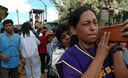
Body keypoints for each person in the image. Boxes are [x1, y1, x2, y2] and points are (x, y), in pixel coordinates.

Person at [55, 6, 128, 78]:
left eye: (95, 23)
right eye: (86, 24)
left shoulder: (109, 48)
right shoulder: (69, 57)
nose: (93, 28)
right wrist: (100, 56)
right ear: (73, 30)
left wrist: (115, 50)